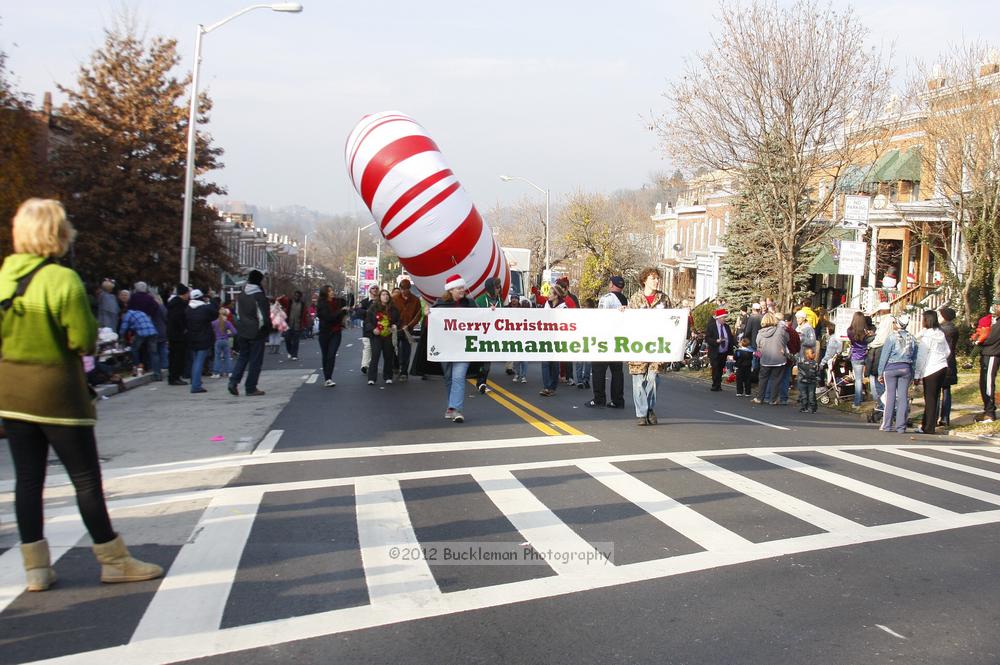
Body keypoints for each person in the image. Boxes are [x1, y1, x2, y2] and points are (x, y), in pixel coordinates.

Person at [0, 198, 162, 591]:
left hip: (11, 391)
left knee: (28, 480)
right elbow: (83, 340)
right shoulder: (63, 280)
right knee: (85, 480)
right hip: (57, 391)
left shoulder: (5, 274)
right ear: (58, 233)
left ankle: (36, 567)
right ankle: (112, 558)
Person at [628, 268, 672, 425]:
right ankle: (641, 413)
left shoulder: (664, 299)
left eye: (657, 278)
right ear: (644, 280)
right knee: (638, 381)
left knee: (653, 379)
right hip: (638, 346)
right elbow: (628, 320)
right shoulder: (635, 299)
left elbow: (672, 320)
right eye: (652, 278)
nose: (656, 281)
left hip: (657, 346)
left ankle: (649, 408)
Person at [434, 274, 476, 422]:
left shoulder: (470, 303)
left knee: (458, 377)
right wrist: (427, 315)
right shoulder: (439, 304)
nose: (462, 290)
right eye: (459, 288)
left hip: (464, 348)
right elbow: (432, 324)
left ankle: (456, 409)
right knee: (449, 378)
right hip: (445, 348)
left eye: (463, 287)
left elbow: (482, 319)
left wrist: (491, 311)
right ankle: (450, 408)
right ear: (450, 290)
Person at [228, 269, 272, 397]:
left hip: (243, 331)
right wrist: (266, 328)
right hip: (256, 332)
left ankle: (233, 382)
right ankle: (251, 387)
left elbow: (236, 313)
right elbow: (263, 317)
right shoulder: (259, 296)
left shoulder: (242, 294)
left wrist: (240, 327)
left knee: (243, 357)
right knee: (255, 361)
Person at [587, 276, 627, 408]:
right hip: (619, 339)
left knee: (598, 370)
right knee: (617, 372)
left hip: (605, 339)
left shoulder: (607, 298)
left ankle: (599, 399)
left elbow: (601, 317)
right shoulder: (625, 299)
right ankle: (618, 400)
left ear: (611, 284)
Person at [877, 315, 918, 433]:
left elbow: (884, 356)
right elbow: (914, 359)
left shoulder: (891, 338)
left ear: (897, 324)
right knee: (903, 397)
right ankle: (901, 427)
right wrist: (913, 373)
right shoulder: (912, 338)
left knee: (890, 397)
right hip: (906, 369)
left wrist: (880, 373)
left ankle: (887, 425)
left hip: (891, 368)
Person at [912, 310, 949, 435]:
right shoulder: (940, 333)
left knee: (929, 399)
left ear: (927, 320)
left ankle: (928, 427)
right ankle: (928, 424)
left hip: (930, 369)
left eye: (923, 319)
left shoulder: (927, 336)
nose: (922, 321)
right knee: (935, 397)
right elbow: (947, 351)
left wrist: (917, 375)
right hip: (942, 366)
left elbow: (921, 357)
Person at [184, 289, 219, 394]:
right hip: (203, 338)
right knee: (199, 361)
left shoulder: (187, 309)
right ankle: (195, 385)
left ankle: (195, 381)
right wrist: (211, 299)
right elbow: (215, 314)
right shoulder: (205, 308)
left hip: (191, 338)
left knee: (195, 361)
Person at [474, 277, 504, 393]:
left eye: (499, 287)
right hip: (481, 335)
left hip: (493, 335)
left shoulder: (499, 301)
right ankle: (481, 383)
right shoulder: (480, 300)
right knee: (484, 362)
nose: (498, 289)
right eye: (497, 287)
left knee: (487, 363)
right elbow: (474, 317)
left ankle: (481, 382)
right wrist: (487, 312)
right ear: (490, 288)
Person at [539, 284, 570, 397]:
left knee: (554, 364)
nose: (548, 295)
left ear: (556, 296)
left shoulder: (563, 307)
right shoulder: (546, 305)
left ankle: (553, 387)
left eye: (551, 294)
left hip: (557, 339)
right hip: (546, 338)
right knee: (545, 363)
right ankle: (547, 387)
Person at [752, 313, 788, 405]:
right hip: (779, 359)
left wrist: (758, 356)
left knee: (763, 379)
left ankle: (760, 398)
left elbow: (758, 347)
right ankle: (773, 399)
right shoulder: (780, 331)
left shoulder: (760, 333)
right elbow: (787, 339)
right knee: (776, 380)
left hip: (765, 359)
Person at [973, 300, 1000, 423]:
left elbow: (989, 338)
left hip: (992, 354)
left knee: (988, 383)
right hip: (987, 353)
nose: (995, 308)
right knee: (983, 382)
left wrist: (979, 339)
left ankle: (990, 413)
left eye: (997, 306)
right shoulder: (995, 321)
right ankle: (987, 409)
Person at [315, 284, 347, 387]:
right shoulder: (321, 304)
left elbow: (348, 301)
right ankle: (327, 377)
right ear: (325, 293)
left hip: (336, 332)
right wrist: (340, 311)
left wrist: (345, 309)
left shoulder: (337, 301)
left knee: (331, 354)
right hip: (324, 332)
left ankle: (329, 378)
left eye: (332, 290)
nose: (332, 292)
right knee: (325, 355)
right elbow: (328, 317)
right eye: (329, 291)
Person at [366, 289, 399, 385]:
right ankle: (372, 378)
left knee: (388, 356)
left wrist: (394, 326)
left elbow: (397, 320)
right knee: (375, 355)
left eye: (387, 294)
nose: (386, 296)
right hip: (376, 335)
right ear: (380, 297)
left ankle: (388, 376)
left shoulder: (393, 309)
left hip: (388, 335)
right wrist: (373, 329)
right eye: (383, 294)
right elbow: (367, 322)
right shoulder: (373, 308)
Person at [865, 302, 894, 411]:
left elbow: (881, 340)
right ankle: (887, 406)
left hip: (880, 352)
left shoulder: (886, 321)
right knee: (886, 383)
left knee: (879, 381)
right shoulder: (892, 319)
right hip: (888, 354)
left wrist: (870, 343)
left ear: (881, 311)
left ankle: (882, 406)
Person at [393, 279, 422, 381]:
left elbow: (418, 315)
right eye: (402, 289)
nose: (403, 291)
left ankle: (404, 372)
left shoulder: (415, 300)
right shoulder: (395, 299)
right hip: (396, 329)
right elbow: (390, 313)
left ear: (409, 289)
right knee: (394, 348)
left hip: (408, 329)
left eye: (405, 289)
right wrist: (394, 325)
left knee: (406, 350)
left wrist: (410, 325)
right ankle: (396, 366)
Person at [118, 302, 157, 377]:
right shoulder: (140, 312)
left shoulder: (127, 314)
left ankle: (137, 368)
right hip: (152, 331)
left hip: (141, 332)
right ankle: (157, 373)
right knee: (154, 353)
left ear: (123, 314)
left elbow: (123, 328)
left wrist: (121, 337)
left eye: (121, 317)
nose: (122, 319)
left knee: (134, 349)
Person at [937, 306, 960, 428]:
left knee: (935, 390)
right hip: (950, 362)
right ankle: (945, 417)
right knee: (946, 390)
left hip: (940, 362)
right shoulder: (954, 329)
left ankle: (934, 417)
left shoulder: (941, 330)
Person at [704, 308, 734, 392]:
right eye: (723, 317)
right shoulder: (712, 326)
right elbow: (707, 338)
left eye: (725, 317)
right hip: (715, 351)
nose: (724, 319)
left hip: (724, 352)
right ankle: (715, 384)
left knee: (720, 368)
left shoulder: (726, 326)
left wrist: (732, 349)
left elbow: (730, 338)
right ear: (718, 318)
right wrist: (716, 341)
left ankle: (719, 384)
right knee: (715, 368)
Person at [166, 284, 190, 385]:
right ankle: (175, 376)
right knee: (178, 356)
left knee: (173, 356)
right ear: (184, 294)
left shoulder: (173, 303)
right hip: (178, 335)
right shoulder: (179, 304)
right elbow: (178, 318)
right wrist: (184, 328)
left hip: (172, 333)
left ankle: (173, 376)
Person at [846, 311, 870, 409]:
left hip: (856, 356)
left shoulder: (850, 331)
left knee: (858, 379)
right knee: (871, 378)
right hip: (866, 355)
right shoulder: (866, 332)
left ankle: (857, 402)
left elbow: (852, 342)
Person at [282, 291, 310, 361]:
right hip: (289, 324)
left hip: (298, 326)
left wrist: (305, 325)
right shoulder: (290, 302)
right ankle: (290, 351)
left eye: (298, 296)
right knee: (287, 339)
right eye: (295, 295)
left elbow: (305, 316)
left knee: (296, 341)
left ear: (300, 297)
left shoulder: (302, 305)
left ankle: (294, 355)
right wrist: (281, 297)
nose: (296, 297)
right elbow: (281, 302)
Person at [211, 307, 237, 379]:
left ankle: (217, 373)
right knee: (227, 357)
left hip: (217, 340)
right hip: (225, 340)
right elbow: (235, 332)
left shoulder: (214, 323)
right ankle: (230, 372)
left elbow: (210, 331)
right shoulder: (227, 322)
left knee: (217, 357)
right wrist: (228, 335)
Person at [359, 285, 380, 374]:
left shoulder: (381, 301)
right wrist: (367, 312)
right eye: (373, 288)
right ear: (369, 290)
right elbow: (358, 312)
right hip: (367, 328)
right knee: (367, 346)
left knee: (377, 348)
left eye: (376, 288)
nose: (375, 290)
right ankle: (365, 365)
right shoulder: (364, 302)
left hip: (380, 327)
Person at [797, 347, 820, 413]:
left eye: (814, 353)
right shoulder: (801, 362)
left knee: (811, 395)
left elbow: (817, 373)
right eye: (812, 353)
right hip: (803, 382)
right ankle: (804, 407)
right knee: (803, 395)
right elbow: (793, 358)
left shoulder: (815, 364)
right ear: (807, 354)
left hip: (812, 382)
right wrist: (785, 353)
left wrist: (818, 379)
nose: (814, 354)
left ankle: (813, 408)